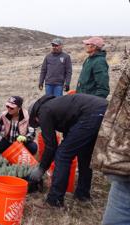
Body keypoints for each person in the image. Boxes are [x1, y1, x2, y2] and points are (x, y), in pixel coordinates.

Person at [28, 94, 107, 207]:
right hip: (102, 109)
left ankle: (55, 200)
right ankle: (82, 194)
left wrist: (41, 168)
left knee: (63, 155)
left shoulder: (44, 111)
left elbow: (51, 146)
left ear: (35, 116)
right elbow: (70, 128)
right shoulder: (54, 105)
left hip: (90, 114)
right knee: (84, 154)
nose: (40, 124)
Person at [92, 59, 130, 225]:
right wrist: (106, 155)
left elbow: (103, 88)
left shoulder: (99, 62)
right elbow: (117, 103)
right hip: (124, 167)